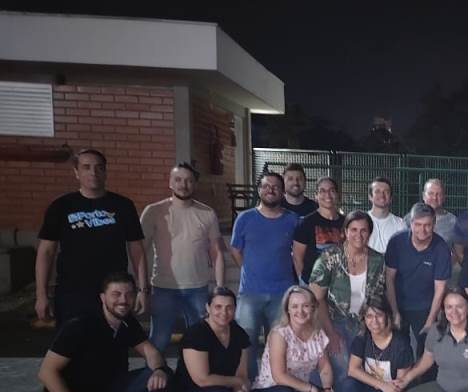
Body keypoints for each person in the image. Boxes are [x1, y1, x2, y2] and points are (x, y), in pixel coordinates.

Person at [37, 272, 169, 392]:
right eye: (116, 294)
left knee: (162, 376)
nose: (123, 300)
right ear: (102, 297)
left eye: (129, 294)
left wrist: (158, 369)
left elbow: (151, 352)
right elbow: (46, 373)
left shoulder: (126, 322)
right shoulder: (79, 325)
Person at [36, 149, 147, 326]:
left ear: (105, 172)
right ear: (76, 172)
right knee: (72, 341)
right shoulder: (61, 206)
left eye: (99, 167)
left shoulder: (123, 205)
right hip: (72, 292)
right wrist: (41, 295)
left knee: (114, 341)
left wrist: (142, 290)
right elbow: (46, 252)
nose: (93, 172)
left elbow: (137, 250)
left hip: (114, 291)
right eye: (86, 167)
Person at [140, 162, 225, 352]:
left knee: (199, 342)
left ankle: (191, 372)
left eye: (188, 180)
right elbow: (139, 251)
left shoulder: (207, 213)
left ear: (195, 184)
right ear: (170, 182)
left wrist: (219, 287)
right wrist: (142, 287)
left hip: (197, 288)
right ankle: (153, 371)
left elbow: (217, 252)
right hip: (163, 288)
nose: (183, 185)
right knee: (159, 339)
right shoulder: (153, 211)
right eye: (178, 180)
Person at [247, 285, 334, 392]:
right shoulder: (279, 334)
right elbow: (279, 376)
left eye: (305, 306)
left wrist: (327, 391)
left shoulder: (317, 333)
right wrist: (312, 389)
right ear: (287, 309)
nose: (300, 311)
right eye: (294, 306)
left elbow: (325, 368)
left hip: (298, 389)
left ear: (313, 308)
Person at [230, 172, 300, 380]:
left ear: (282, 192)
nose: (271, 189)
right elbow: (235, 249)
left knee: (278, 343)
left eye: (276, 186)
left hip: (282, 294)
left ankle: (272, 383)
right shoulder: (245, 218)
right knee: (246, 343)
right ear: (259, 190)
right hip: (250, 292)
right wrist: (249, 269)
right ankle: (249, 385)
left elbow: (298, 253)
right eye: (266, 186)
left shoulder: (292, 220)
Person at [308, 210, 387, 392]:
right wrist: (330, 333)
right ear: (345, 231)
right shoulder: (330, 257)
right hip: (333, 322)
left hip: (364, 324)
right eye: (353, 230)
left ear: (370, 232)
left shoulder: (377, 260)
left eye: (363, 230)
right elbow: (316, 298)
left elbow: (378, 298)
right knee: (344, 370)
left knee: (363, 369)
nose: (358, 235)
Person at [332, 300, 414, 392]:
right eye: (369, 316)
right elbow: (353, 370)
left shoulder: (400, 343)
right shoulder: (362, 338)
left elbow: (402, 382)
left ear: (388, 317)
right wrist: (381, 385)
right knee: (348, 383)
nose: (374, 321)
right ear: (364, 319)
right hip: (375, 388)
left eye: (379, 315)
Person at [385, 202, 451, 365]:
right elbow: (389, 279)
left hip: (425, 307)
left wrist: (430, 321)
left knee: (426, 350)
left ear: (434, 224)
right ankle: (402, 378)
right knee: (398, 350)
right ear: (411, 223)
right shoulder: (396, 242)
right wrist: (394, 311)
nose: (422, 230)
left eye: (427, 225)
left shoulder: (441, 248)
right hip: (398, 303)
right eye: (418, 224)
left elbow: (440, 288)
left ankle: (424, 379)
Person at [292, 177, 344, 285]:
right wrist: (304, 283)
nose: (327, 195)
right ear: (316, 195)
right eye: (322, 191)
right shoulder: (306, 223)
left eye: (332, 190)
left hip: (339, 284)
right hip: (313, 285)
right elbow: (297, 257)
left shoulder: (346, 222)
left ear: (338, 194)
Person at [405, 178, 457, 244]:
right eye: (431, 193)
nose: (435, 197)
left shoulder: (453, 222)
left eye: (438, 194)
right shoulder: (409, 219)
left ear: (444, 197)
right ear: (423, 196)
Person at [366, 177, 406, 253]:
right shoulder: (361, 221)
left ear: (391, 198)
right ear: (370, 197)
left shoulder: (400, 224)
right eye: (377, 191)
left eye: (386, 192)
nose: (382, 195)